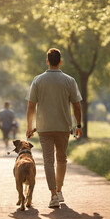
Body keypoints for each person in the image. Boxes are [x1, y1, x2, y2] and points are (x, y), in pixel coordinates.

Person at [26, 48, 82, 208]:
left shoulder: (38, 80)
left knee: (48, 161)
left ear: (47, 61)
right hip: (64, 127)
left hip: (44, 127)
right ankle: (59, 190)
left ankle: (53, 196)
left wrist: (29, 127)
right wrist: (78, 125)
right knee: (62, 159)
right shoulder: (69, 80)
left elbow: (31, 106)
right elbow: (77, 106)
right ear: (61, 61)